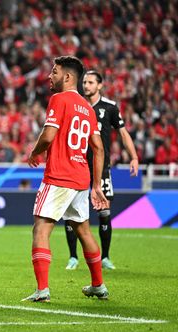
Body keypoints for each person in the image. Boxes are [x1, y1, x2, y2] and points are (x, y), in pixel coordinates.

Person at [23, 56, 109, 302]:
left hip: (59, 175)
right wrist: (96, 185)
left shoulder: (59, 99)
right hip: (81, 177)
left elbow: (49, 136)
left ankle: (42, 290)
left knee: (41, 228)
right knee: (83, 230)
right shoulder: (88, 109)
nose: (50, 76)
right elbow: (99, 148)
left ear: (68, 77)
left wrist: (35, 151)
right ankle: (98, 285)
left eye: (54, 72)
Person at [65, 70, 139, 271]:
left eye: (90, 82)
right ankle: (73, 257)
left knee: (104, 212)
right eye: (84, 82)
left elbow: (123, 134)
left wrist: (133, 156)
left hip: (101, 167)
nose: (86, 85)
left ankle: (105, 257)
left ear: (100, 85)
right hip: (76, 165)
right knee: (71, 213)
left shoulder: (110, 108)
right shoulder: (75, 105)